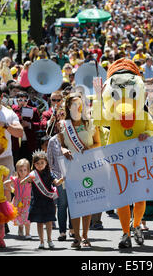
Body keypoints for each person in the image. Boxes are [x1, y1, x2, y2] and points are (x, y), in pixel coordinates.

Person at [58, 93, 101, 248]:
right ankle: (76, 236)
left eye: (80, 104)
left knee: (87, 202)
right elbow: (61, 145)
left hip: (88, 167)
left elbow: (98, 143)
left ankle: (85, 236)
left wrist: (89, 149)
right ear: (68, 107)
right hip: (71, 168)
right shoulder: (63, 125)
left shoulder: (90, 123)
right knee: (74, 203)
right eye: (74, 105)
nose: (78, 107)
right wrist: (63, 150)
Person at [20, 150, 64, 249]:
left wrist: (60, 180)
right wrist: (26, 179)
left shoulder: (49, 173)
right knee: (39, 222)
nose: (40, 165)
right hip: (37, 202)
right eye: (37, 163)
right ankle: (41, 241)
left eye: (42, 163)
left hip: (48, 201)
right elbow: (22, 182)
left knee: (48, 222)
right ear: (34, 164)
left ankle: (49, 239)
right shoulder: (33, 174)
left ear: (46, 163)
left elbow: (56, 182)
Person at [47, 133, 74, 242]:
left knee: (73, 203)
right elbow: (49, 161)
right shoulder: (53, 141)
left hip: (74, 175)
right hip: (59, 177)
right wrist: (53, 178)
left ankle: (72, 229)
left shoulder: (73, 135)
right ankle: (62, 232)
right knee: (62, 204)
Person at [4, 158, 32, 239]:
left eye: (24, 170)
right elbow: (6, 183)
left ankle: (27, 233)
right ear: (17, 170)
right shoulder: (15, 179)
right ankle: (20, 228)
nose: (23, 172)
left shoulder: (30, 180)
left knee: (27, 217)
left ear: (28, 170)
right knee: (19, 216)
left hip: (27, 201)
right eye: (20, 170)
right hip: (17, 200)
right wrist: (12, 190)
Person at [11, 91, 40, 164]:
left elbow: (39, 125)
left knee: (29, 163)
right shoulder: (13, 109)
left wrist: (29, 124)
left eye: (25, 100)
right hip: (16, 143)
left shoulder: (33, 110)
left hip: (29, 142)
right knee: (16, 163)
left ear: (28, 101)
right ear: (17, 100)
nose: (22, 102)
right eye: (20, 100)